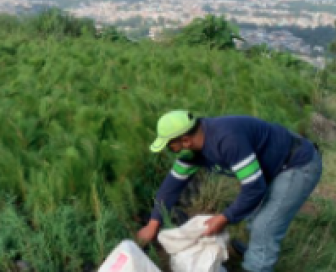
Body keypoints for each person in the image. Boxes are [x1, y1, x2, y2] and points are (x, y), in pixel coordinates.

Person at [137, 111, 323, 272]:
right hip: (271, 167)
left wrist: (224, 218)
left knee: (265, 226)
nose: (171, 151)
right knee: (253, 217)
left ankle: (257, 264)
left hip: (297, 164)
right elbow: (171, 187)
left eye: (171, 146)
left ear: (185, 140)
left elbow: (254, 188)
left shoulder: (227, 140)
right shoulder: (192, 152)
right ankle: (256, 253)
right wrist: (153, 223)